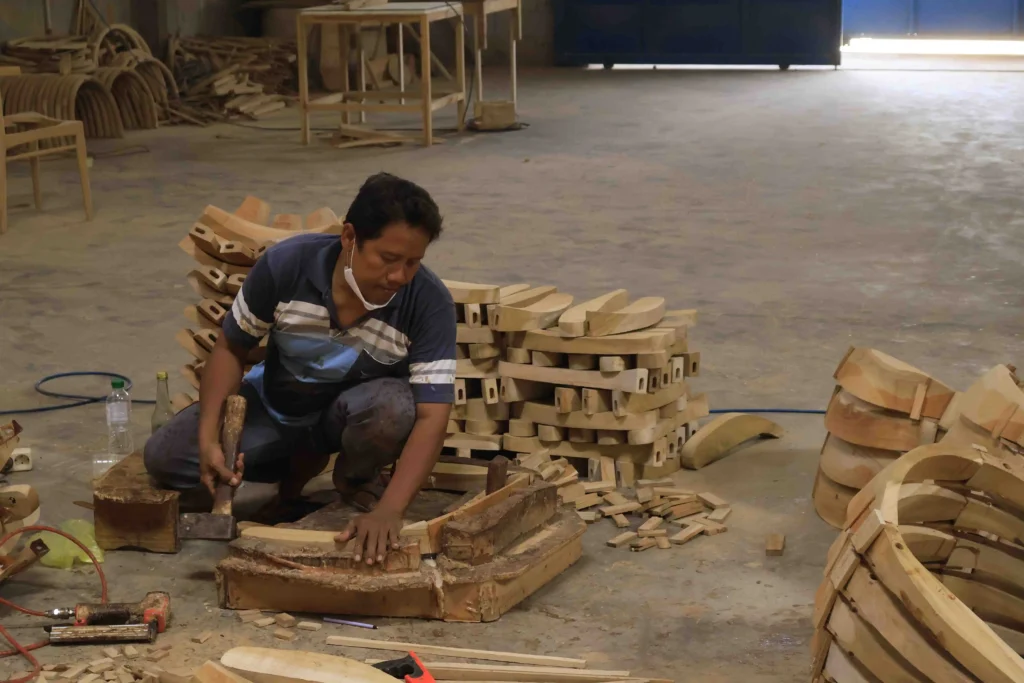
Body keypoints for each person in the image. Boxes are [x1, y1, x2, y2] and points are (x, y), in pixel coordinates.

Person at [145, 172, 456, 564]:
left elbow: (433, 415)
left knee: (393, 407)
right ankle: (291, 466)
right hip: (277, 403)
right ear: (349, 238)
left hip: (350, 418)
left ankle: (353, 477)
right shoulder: (286, 265)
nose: (399, 276)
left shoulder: (428, 302)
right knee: (164, 459)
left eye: (413, 262)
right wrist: (211, 439)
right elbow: (230, 346)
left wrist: (390, 511)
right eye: (388, 259)